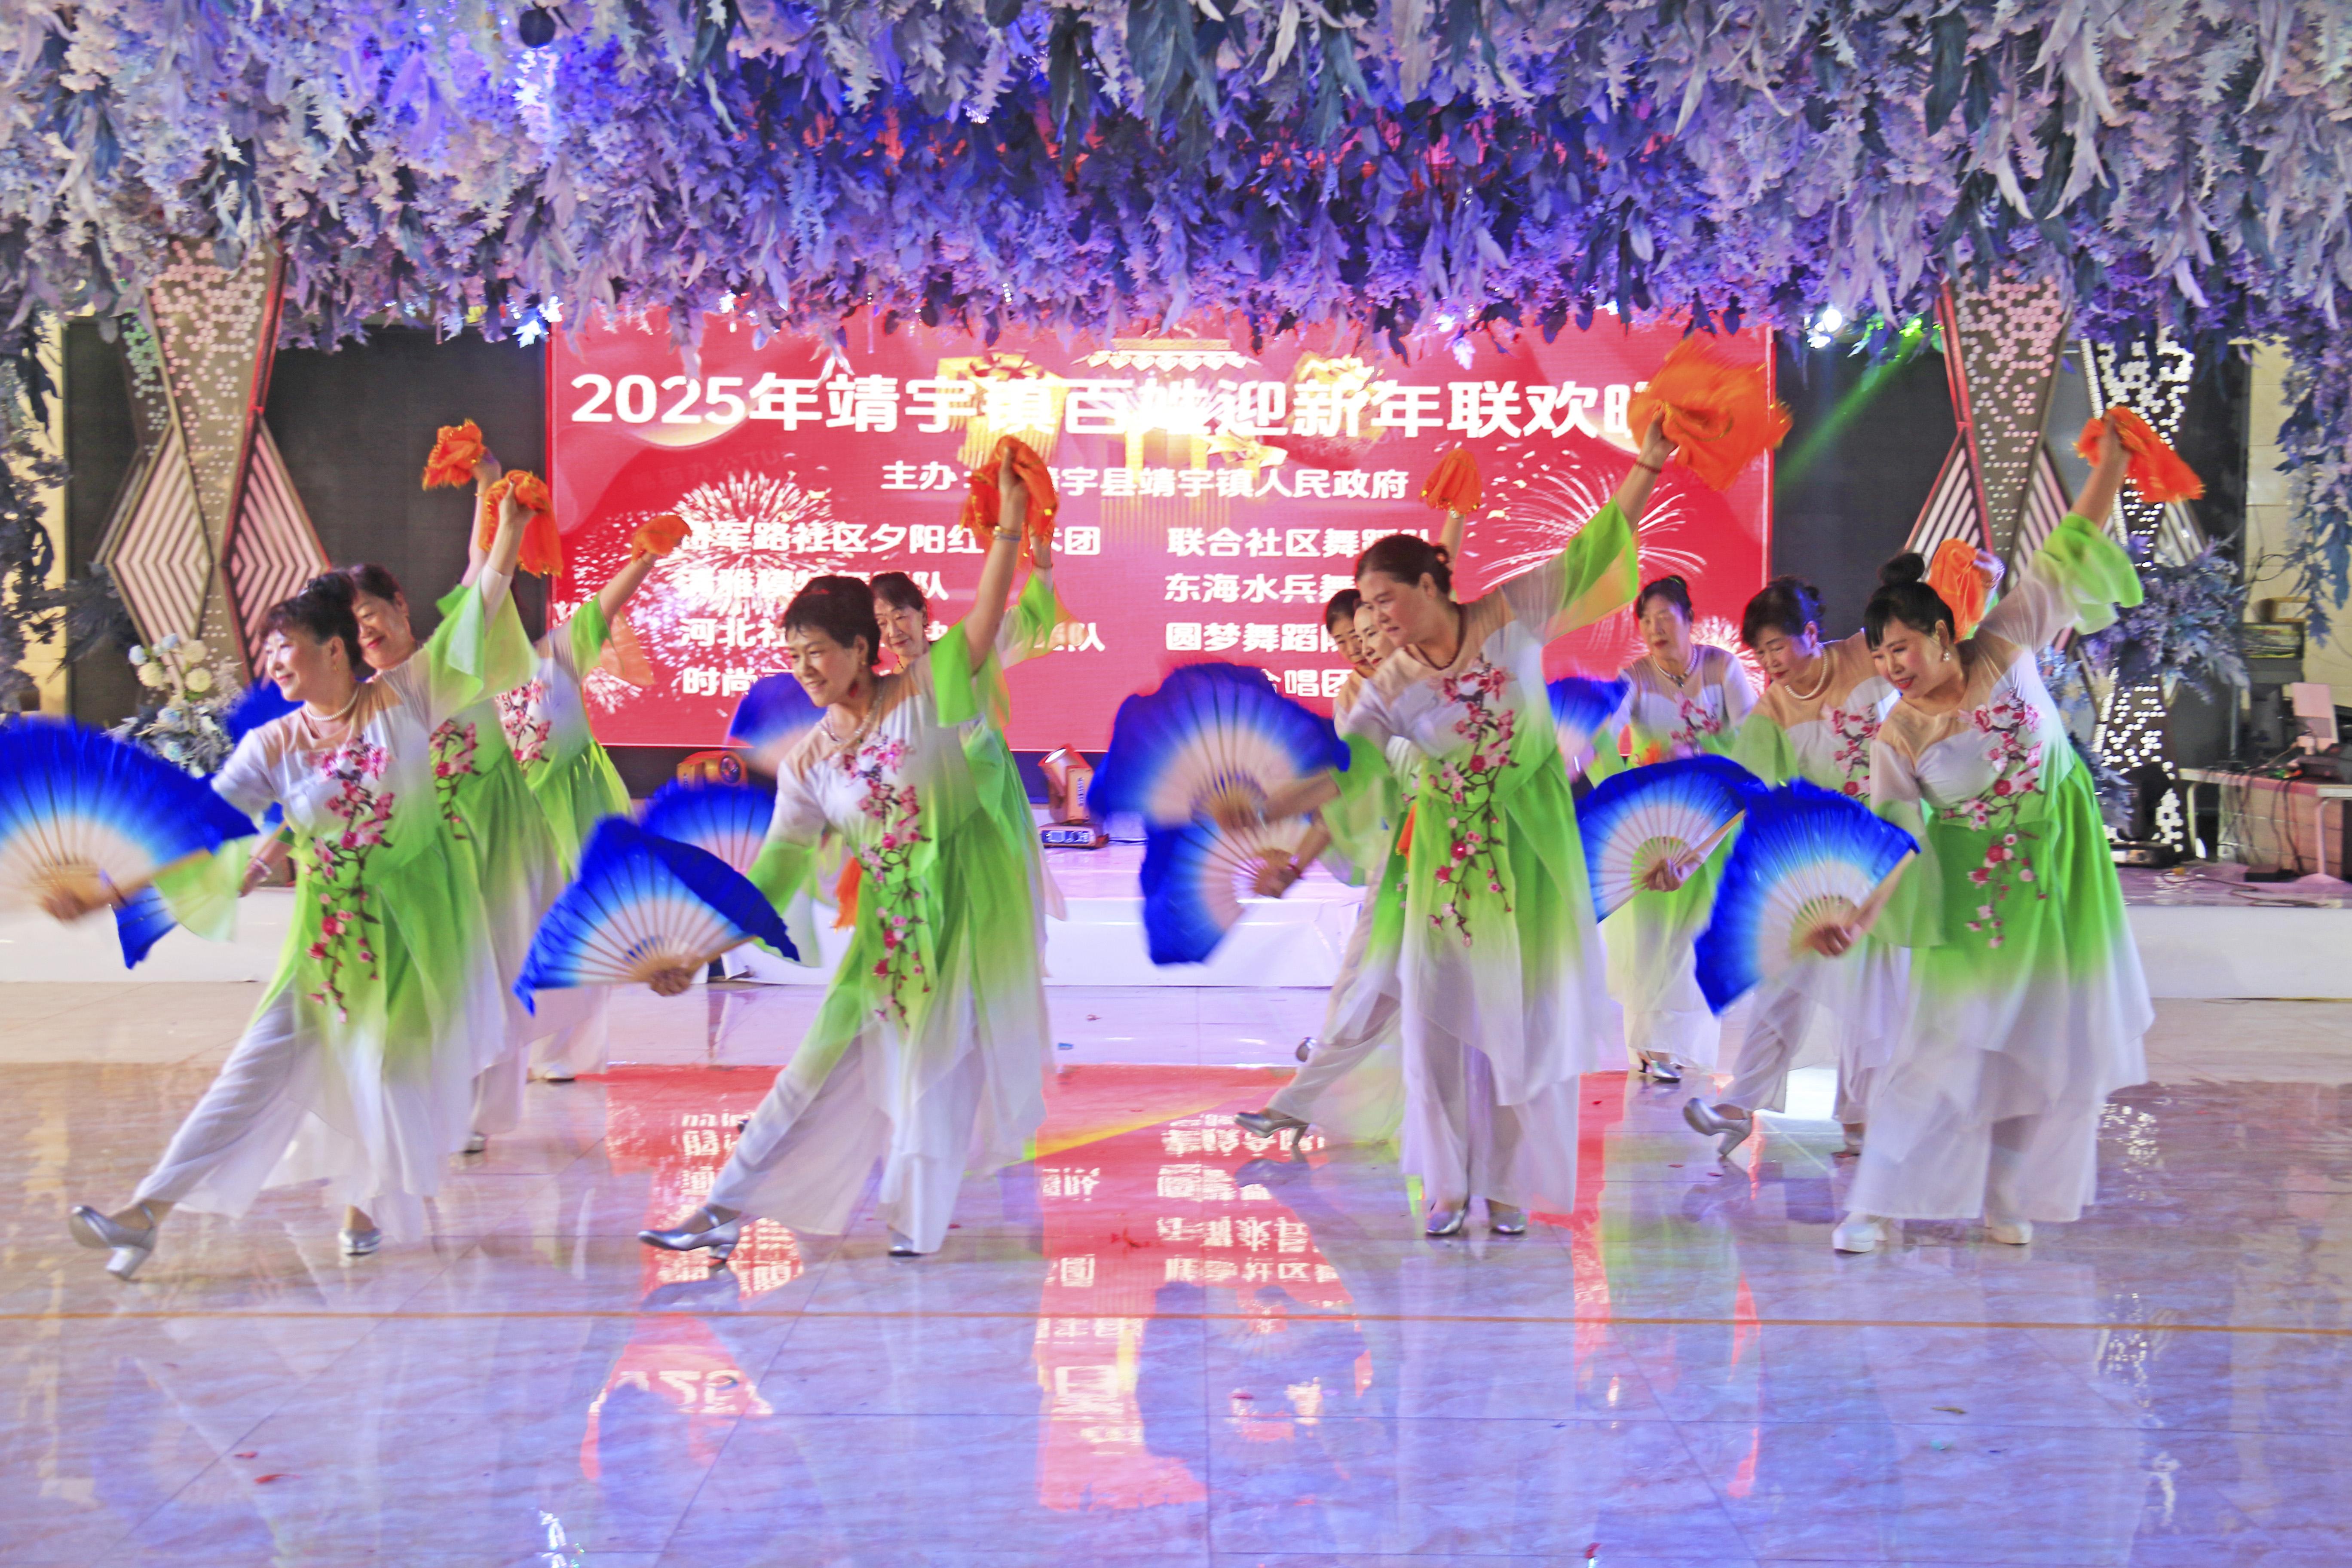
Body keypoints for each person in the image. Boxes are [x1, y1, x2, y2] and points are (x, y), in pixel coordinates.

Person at [57, 493, 531, 1275]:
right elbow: (201, 823)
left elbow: (482, 606)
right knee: (250, 1070)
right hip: (327, 942)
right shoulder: (275, 743)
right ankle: (145, 1213)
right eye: (268, 651)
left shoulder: (407, 697)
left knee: (388, 1077)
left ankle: (365, 1200)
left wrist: (507, 524)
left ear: (336, 650)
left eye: (287, 647)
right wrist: (110, 891)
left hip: (418, 934)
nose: (273, 663)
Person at [1239, 422, 1671, 1236]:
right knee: (1437, 1025)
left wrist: (1647, 461)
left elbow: (1593, 550)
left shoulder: (1512, 614)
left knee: (1521, 1023)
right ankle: (1445, 1184)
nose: (1376, 620)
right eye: (1366, 608)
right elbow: (1349, 773)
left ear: (1432, 584)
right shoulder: (1389, 686)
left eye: (1384, 600)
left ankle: (1507, 1185)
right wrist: (1274, 813)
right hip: (1444, 860)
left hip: (1530, 849)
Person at [638, 449, 1050, 1259]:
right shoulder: (808, 763)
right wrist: (699, 950)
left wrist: (1010, 520)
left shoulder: (929, 693)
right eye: (793, 656)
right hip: (888, 935)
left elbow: (986, 611)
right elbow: (774, 874)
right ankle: (722, 1208)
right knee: (812, 1070)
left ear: (864, 648)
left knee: (934, 1075)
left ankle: (915, 1229)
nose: (805, 670)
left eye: (819, 651)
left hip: (966, 918)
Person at [1814, 420, 2149, 1254]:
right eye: (1880, 655)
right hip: (1971, 901)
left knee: (2041, 1051)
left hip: (2057, 882)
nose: (1891, 666)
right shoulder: (1896, 737)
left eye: (1901, 647)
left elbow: (2066, 554)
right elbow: (1896, 836)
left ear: (1941, 633)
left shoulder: (2003, 643)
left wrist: (2111, 466)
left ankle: (2005, 1196)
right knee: (1935, 1053)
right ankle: (1874, 1206)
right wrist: (1860, 914)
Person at [341, 465, 577, 1151]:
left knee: (502, 971)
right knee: (444, 979)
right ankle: (440, 1099)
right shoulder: (370, 704)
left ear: (399, 604)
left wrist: (493, 496)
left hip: (501, 841)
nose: (365, 630)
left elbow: (486, 575)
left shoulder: (451, 655)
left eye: (370, 612)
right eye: (351, 627)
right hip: (435, 855)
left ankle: (479, 1113)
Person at [1681, 576, 1905, 1157]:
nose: (1770, 663)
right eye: (1761, 653)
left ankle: (1861, 1118)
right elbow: (1739, 790)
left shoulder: (1868, 653)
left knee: (1871, 992)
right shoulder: (1774, 710)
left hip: (1894, 849)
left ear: (1810, 633)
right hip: (1827, 860)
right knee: (1784, 980)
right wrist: (1690, 853)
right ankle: (1737, 1107)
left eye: (1777, 646)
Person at [493, 532, 667, 1081]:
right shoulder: (459, 685)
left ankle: (563, 1054)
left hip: (577, 814)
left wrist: (645, 559)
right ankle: (511, 1049)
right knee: (514, 937)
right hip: (510, 821)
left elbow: (604, 607)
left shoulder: (556, 654)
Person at [870, 530, 1067, 932]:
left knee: (993, 913)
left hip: (986, 803)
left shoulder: (965, 652)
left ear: (922, 613)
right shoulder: (885, 692)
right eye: (881, 623)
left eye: (900, 615)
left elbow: (1027, 619)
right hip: (927, 819)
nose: (893, 631)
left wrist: (1042, 559)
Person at [1602, 573, 1756, 1084]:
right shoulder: (1634, 678)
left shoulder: (1721, 667)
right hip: (1655, 828)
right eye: (1646, 621)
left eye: (1665, 618)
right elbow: (1606, 735)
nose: (1655, 629)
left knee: (1697, 934)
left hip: (1712, 824)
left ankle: (1683, 1046)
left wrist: (1703, 758)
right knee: (1651, 939)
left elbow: (1754, 736)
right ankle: (1650, 1047)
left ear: (1690, 619)